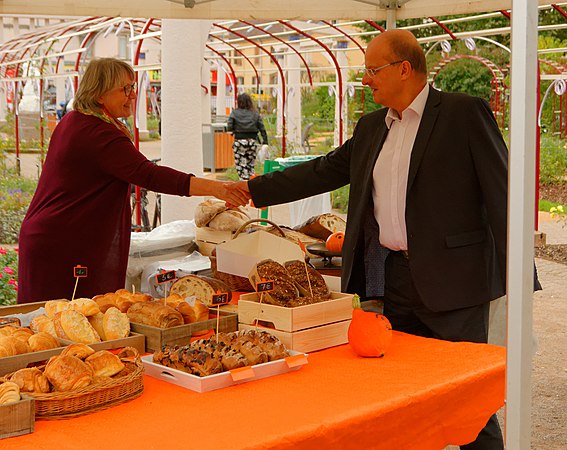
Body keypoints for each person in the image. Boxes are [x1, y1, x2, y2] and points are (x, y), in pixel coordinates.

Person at [230, 30, 538, 449]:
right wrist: (253, 189)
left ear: (404, 69)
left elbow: (503, 192)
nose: (366, 80)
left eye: (373, 71)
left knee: (465, 397)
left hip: (454, 283)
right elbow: (324, 169)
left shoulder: (464, 113)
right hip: (394, 281)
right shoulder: (373, 125)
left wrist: (520, 275)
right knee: (403, 392)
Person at [17, 58, 247, 304]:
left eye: (133, 87)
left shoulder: (75, 121)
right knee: (67, 323)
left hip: (55, 235)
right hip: (64, 243)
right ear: (99, 94)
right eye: (124, 89)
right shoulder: (98, 133)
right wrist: (220, 188)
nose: (133, 95)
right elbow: (150, 175)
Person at [227, 92, 268, 180]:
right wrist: (265, 141)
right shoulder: (255, 113)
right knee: (250, 165)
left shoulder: (235, 113)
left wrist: (231, 131)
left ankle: (244, 184)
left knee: (241, 166)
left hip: (239, 142)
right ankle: (252, 182)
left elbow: (229, 126)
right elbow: (262, 128)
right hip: (252, 142)